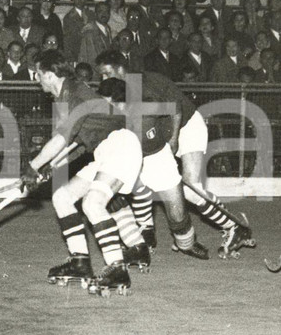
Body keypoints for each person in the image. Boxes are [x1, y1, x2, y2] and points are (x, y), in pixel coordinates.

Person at [96, 50, 254, 258]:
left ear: (120, 68)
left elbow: (175, 107)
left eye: (107, 73)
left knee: (190, 188)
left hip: (186, 127)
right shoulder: (120, 90)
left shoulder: (144, 82)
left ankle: (236, 227)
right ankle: (146, 232)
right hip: (160, 135)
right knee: (139, 179)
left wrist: (173, 141)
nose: (104, 79)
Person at [21, 49, 148, 292]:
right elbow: (75, 145)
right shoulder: (64, 99)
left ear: (48, 75)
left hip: (121, 145)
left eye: (38, 74)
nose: (37, 80)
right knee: (62, 197)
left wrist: (32, 166)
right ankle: (80, 262)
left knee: (92, 203)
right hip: (103, 152)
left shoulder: (77, 94)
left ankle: (117, 269)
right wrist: (48, 168)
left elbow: (61, 140)